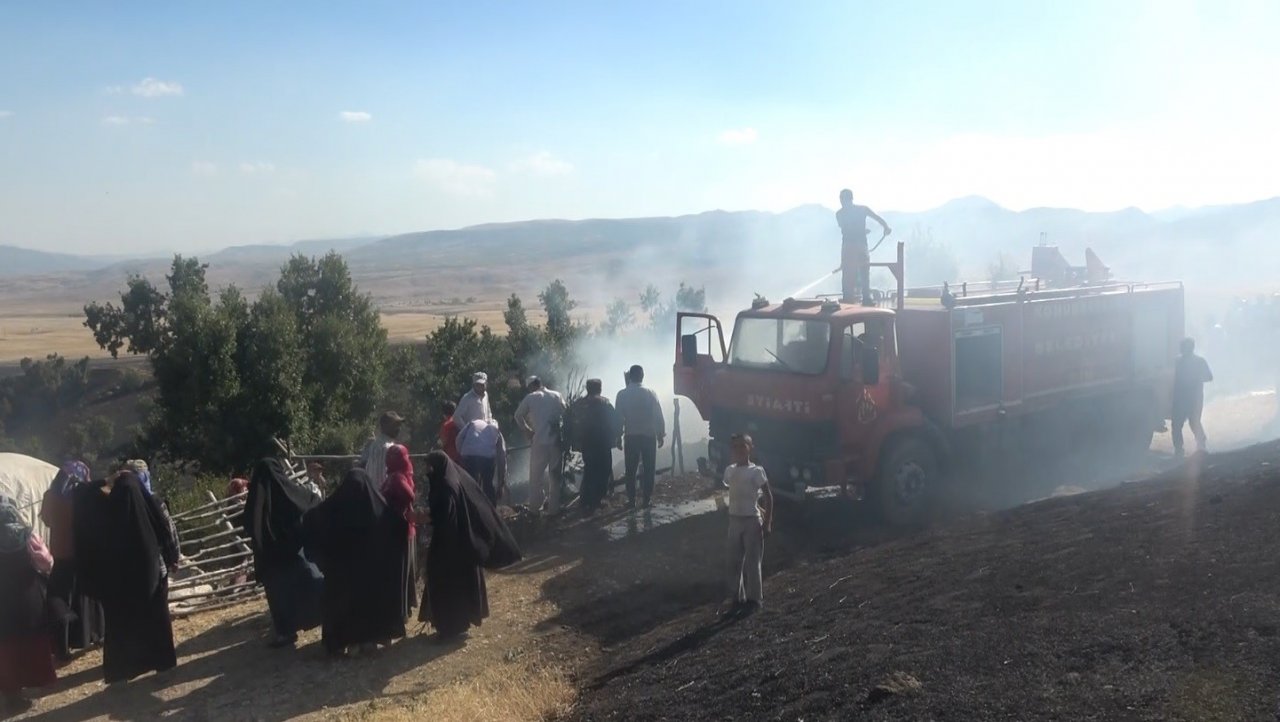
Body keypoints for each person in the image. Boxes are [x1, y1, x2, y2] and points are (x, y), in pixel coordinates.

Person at [72, 469, 180, 684]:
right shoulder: (149, 507)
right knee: (156, 620)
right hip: (152, 575)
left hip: (118, 582)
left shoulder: (107, 514)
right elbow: (166, 537)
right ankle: (162, 661)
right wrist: (169, 562)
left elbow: (80, 495)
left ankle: (123, 669)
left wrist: (104, 481)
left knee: (121, 626)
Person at [419, 452, 521, 644]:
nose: (427, 471)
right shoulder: (448, 480)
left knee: (447, 586)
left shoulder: (447, 486)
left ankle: (450, 628)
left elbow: (445, 515)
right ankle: (452, 625)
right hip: (457, 544)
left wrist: (427, 517)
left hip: (451, 547)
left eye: (430, 466)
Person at [304, 469, 408, 656]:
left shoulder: (335, 509)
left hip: (342, 577)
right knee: (370, 600)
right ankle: (370, 638)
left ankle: (346, 641)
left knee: (342, 602)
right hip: (370, 576)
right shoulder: (379, 509)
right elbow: (398, 525)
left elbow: (312, 519)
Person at [244, 458, 325, 649]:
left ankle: (285, 632)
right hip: (293, 554)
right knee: (304, 587)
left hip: (271, 559)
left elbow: (249, 524)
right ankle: (315, 618)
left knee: (279, 595)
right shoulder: (288, 491)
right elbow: (310, 502)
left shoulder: (257, 499)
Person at [40, 461, 104, 662]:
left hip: (60, 553)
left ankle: (62, 647)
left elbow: (47, 520)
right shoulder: (84, 495)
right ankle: (95, 635)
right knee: (89, 594)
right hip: (84, 552)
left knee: (62, 599)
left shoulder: (50, 496)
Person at [0, 496, 57, 714]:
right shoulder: (26, 534)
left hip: (2, 601)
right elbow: (45, 562)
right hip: (27, 595)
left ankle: (10, 693)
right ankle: (30, 682)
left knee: (6, 646)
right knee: (30, 641)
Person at [722, 434, 773, 617]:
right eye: (735, 447)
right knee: (734, 561)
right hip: (734, 520)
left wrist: (767, 522)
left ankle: (755, 599)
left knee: (753, 562)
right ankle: (738, 597)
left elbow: (768, 496)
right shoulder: (729, 471)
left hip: (752, 521)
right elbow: (731, 490)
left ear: (750, 448)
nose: (739, 450)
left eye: (742, 446)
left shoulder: (756, 471)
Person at [568, 379, 623, 512]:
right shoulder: (604, 402)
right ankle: (596, 500)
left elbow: (569, 419)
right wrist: (618, 435)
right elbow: (616, 420)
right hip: (602, 442)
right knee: (603, 470)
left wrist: (572, 440)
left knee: (590, 470)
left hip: (586, 443)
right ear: (600, 388)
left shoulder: (579, 404)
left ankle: (585, 500)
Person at [515, 376, 567, 515]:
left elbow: (518, 416)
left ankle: (534, 508)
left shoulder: (531, 397)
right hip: (556, 441)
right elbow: (566, 414)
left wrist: (527, 431)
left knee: (535, 477)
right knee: (555, 476)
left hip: (539, 442)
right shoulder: (556, 395)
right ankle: (553, 510)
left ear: (531, 386)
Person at [616, 365, 666, 509]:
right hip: (648, 436)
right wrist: (660, 434)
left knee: (630, 470)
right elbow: (658, 415)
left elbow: (618, 418)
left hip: (631, 436)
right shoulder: (650, 393)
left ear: (630, 376)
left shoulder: (622, 394)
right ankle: (646, 499)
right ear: (642, 376)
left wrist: (618, 437)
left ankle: (631, 500)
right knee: (649, 468)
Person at [833, 188, 891, 306]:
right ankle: (866, 298)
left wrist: (864, 231)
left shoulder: (839, 214)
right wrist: (885, 227)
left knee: (848, 271)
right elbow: (878, 218)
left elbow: (846, 228)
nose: (841, 201)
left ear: (844, 199)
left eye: (841, 199)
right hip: (860, 246)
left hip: (848, 246)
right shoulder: (862, 209)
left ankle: (848, 298)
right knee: (864, 271)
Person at [382, 445, 418, 621]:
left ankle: (404, 609)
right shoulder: (397, 478)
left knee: (404, 570)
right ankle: (402, 611)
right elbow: (409, 496)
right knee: (404, 570)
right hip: (403, 528)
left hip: (397, 528)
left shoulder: (390, 476)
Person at [1172, 337, 1213, 457]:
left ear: (1190, 348)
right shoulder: (1177, 361)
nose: (1182, 350)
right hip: (1180, 398)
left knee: (1193, 422)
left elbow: (1209, 377)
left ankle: (1201, 445)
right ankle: (1179, 449)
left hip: (1194, 398)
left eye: (1184, 347)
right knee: (1176, 424)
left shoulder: (1199, 361)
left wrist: (1195, 379)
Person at [457, 419, 508, 505]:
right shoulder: (497, 432)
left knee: (470, 485)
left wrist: (462, 453)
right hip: (487, 458)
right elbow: (502, 460)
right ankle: (491, 512)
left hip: (469, 455)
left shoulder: (473, 423)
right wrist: (501, 484)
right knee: (488, 484)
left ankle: (469, 509)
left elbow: (458, 439)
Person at [359, 411, 404, 488]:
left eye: (399, 425)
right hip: (382, 495)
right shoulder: (388, 448)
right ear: (386, 427)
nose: (399, 428)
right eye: (396, 425)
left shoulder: (374, 444)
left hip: (373, 493)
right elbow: (381, 479)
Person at [439, 400, 463, 465]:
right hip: (461, 456)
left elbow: (443, 442)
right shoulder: (460, 423)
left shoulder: (446, 425)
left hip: (450, 457)